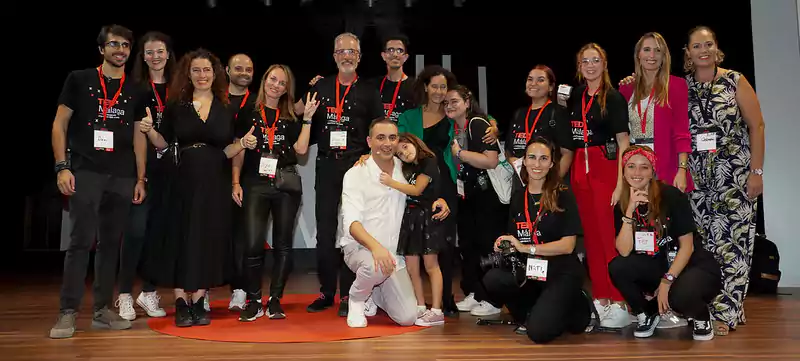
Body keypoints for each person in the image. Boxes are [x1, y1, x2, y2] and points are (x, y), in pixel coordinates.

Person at [139, 48, 257, 327]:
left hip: (215, 180)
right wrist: (149, 129)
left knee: (208, 237)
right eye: (196, 70)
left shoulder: (227, 107)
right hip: (180, 179)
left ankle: (201, 298)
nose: (202, 75)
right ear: (188, 74)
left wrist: (242, 144)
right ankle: (181, 300)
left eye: (206, 70)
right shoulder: (176, 106)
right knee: (181, 236)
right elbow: (164, 144)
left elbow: (227, 149)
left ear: (215, 73)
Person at [50, 24, 147, 339]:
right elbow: (59, 123)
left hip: (122, 175)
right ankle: (67, 313)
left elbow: (138, 136)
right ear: (102, 49)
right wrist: (62, 167)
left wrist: (140, 176)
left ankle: (103, 310)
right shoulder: (79, 79)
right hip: (86, 171)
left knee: (110, 246)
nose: (121, 50)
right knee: (80, 242)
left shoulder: (135, 88)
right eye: (115, 44)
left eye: (126, 46)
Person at [683, 26, 765, 336]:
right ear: (688, 53)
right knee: (705, 248)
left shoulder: (735, 80)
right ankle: (709, 306)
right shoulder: (681, 86)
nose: (702, 49)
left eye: (708, 44)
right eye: (695, 45)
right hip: (696, 181)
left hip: (734, 178)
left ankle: (727, 313)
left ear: (717, 48)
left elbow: (757, 125)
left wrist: (756, 172)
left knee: (734, 246)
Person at [295, 32, 385, 317]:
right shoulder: (320, 86)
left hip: (355, 167)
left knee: (353, 230)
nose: (347, 56)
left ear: (359, 57)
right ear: (334, 56)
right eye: (341, 51)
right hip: (327, 165)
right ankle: (326, 291)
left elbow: (378, 129)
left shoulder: (370, 91)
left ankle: (349, 293)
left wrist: (370, 158)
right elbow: (298, 113)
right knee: (325, 230)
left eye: (352, 52)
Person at [483, 136, 590, 344]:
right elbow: (515, 238)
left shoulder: (563, 195)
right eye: (532, 157)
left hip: (561, 270)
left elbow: (568, 246)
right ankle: (536, 312)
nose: (537, 164)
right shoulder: (518, 197)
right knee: (493, 279)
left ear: (551, 163)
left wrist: (526, 248)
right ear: (524, 160)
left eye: (543, 158)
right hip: (532, 269)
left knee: (539, 333)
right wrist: (505, 243)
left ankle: (576, 303)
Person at [232, 64, 318, 321]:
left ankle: (276, 300)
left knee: (283, 245)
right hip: (255, 183)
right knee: (252, 244)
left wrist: (308, 119)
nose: (276, 85)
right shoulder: (248, 112)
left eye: (281, 83)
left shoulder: (291, 116)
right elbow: (239, 149)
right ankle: (254, 299)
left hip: (285, 184)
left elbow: (301, 150)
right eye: (272, 79)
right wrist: (235, 182)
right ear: (264, 81)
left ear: (285, 89)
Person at [608, 145, 721, 341]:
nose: (637, 173)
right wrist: (629, 211)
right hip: (657, 262)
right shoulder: (622, 203)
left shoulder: (671, 196)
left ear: (653, 171)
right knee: (618, 267)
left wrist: (666, 281)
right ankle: (648, 312)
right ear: (624, 171)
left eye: (644, 167)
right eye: (631, 167)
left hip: (690, 264)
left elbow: (687, 247)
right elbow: (624, 251)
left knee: (680, 295)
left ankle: (701, 315)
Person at [565, 43, 632, 328]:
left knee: (608, 237)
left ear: (604, 64)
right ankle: (601, 297)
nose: (590, 66)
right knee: (590, 238)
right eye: (585, 61)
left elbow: (624, 144)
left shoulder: (613, 98)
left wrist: (620, 184)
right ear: (579, 66)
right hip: (581, 167)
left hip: (605, 166)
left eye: (595, 60)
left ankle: (620, 300)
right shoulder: (577, 96)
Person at [340, 117, 424, 328]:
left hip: (394, 255)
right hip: (361, 248)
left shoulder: (405, 170)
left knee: (407, 318)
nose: (387, 143)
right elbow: (352, 223)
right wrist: (375, 248)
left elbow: (427, 186)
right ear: (369, 142)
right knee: (374, 267)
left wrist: (441, 199)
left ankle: (373, 292)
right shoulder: (355, 174)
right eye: (380, 138)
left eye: (392, 137)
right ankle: (358, 299)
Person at [115, 30, 175, 322]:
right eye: (149, 52)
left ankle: (148, 291)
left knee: (158, 235)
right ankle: (125, 293)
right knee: (135, 233)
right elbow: (137, 136)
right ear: (143, 56)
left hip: (170, 171)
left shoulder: (178, 88)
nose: (155, 57)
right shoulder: (135, 88)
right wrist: (140, 177)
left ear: (168, 53)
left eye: (160, 51)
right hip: (140, 169)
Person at [396, 65, 459, 316]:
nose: (439, 91)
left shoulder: (452, 114)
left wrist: (494, 126)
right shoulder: (409, 117)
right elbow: (395, 145)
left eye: (443, 87)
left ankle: (445, 299)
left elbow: (482, 118)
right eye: (434, 86)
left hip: (445, 183)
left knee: (444, 242)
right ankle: (417, 301)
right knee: (415, 246)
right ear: (425, 87)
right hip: (415, 185)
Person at [446, 85, 506, 317]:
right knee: (469, 246)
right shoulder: (455, 127)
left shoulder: (478, 124)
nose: (449, 106)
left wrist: (460, 154)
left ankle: (493, 299)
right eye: (447, 103)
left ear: (467, 102)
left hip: (487, 196)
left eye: (454, 101)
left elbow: (490, 160)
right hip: (468, 194)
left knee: (486, 246)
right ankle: (477, 293)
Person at [379, 133, 447, 326]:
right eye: (399, 153)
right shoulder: (406, 167)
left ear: (414, 143)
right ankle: (420, 307)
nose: (404, 154)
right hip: (410, 218)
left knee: (431, 266)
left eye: (406, 148)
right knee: (411, 267)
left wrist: (391, 183)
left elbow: (417, 190)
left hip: (427, 217)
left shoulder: (428, 161)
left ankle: (436, 310)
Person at [618, 32, 693, 194]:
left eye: (657, 50)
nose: (651, 55)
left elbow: (682, 132)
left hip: (665, 166)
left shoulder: (676, 85)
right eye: (646, 49)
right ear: (638, 54)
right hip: (635, 168)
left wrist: (682, 170)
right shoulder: (626, 88)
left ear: (664, 56)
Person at [505, 65, 574, 181]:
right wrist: (512, 161)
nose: (533, 83)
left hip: (547, 183)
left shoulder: (557, 113)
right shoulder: (519, 114)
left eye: (540, 80)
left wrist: (553, 184)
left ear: (551, 87)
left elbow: (567, 154)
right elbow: (508, 150)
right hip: (521, 183)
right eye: (530, 79)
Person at [225, 52, 256, 312]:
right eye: (238, 68)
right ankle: (203, 290)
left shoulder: (257, 102)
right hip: (212, 171)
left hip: (247, 175)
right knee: (211, 233)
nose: (244, 73)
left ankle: (239, 288)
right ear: (226, 70)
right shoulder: (213, 98)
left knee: (241, 236)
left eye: (248, 69)